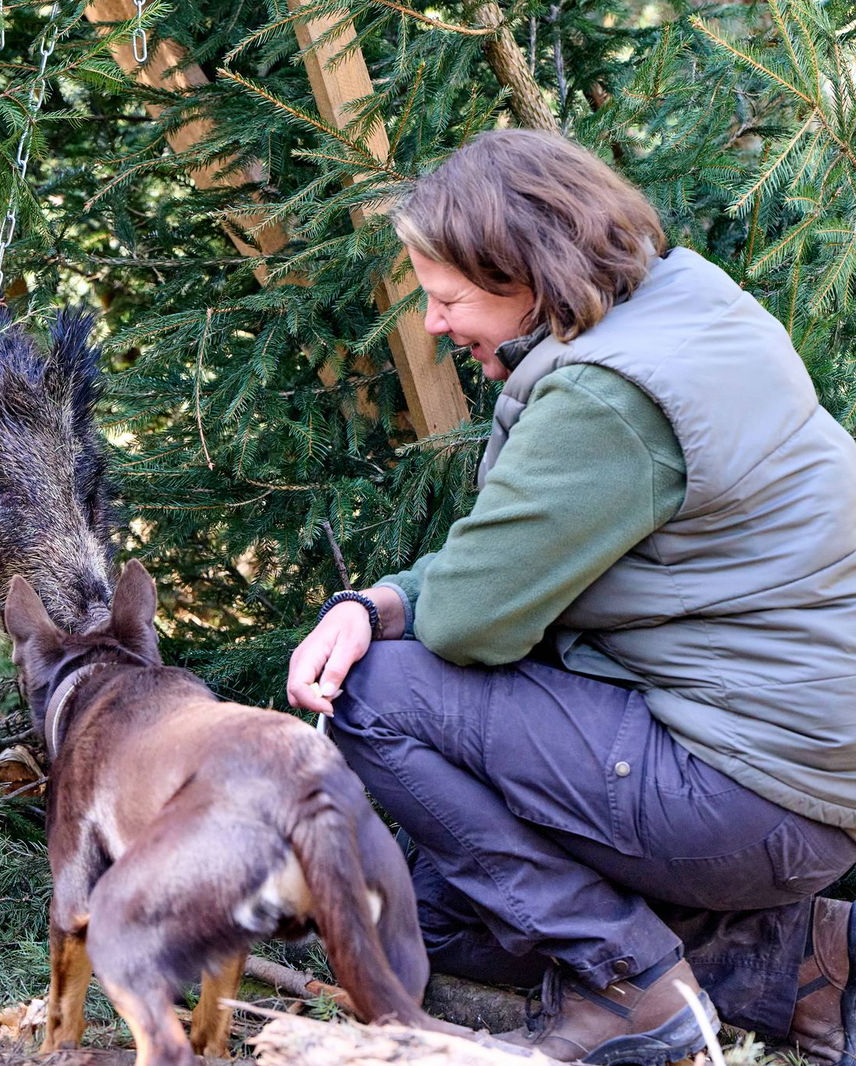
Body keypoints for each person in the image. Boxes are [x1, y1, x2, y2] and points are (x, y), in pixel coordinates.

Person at [286, 128, 856, 1066]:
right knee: (437, 918)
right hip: (798, 779)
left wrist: (378, 621)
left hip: (750, 789)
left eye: (448, 299)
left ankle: (629, 982)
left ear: (529, 276)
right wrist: (375, 604)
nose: (433, 325)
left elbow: (474, 618)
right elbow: (526, 564)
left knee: (372, 694)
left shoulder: (608, 399)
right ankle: (800, 963)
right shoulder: (685, 305)